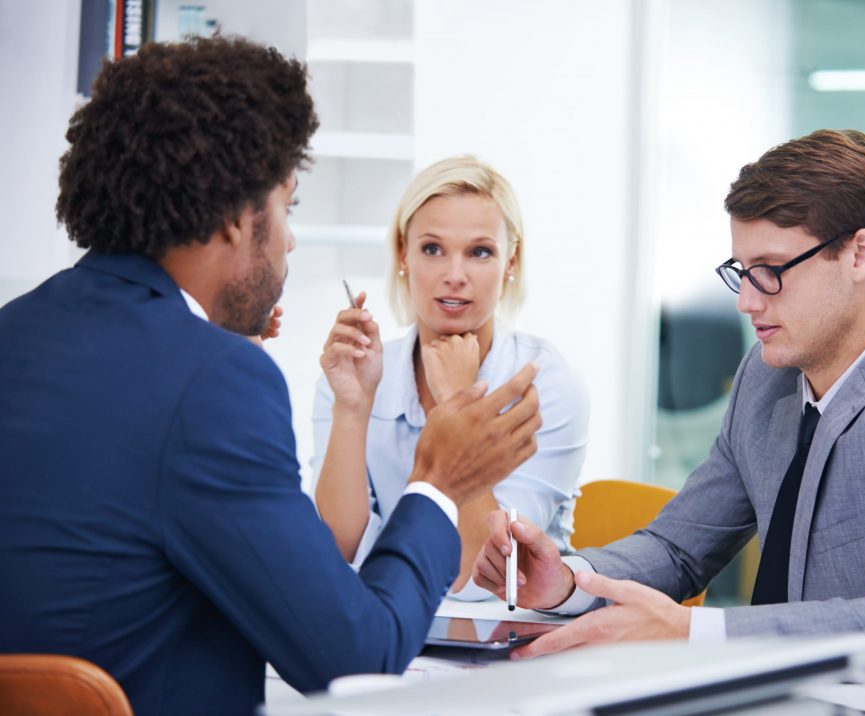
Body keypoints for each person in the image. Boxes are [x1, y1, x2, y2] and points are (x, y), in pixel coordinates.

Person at [0, 37, 542, 715]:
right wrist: (437, 483)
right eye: (288, 205)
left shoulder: (15, 331)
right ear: (235, 218)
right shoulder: (214, 382)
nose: (289, 239)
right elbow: (356, 656)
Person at [473, 129, 865, 685]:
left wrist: (698, 634)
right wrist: (567, 581)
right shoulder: (764, 377)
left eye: (771, 271)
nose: (746, 301)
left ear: (860, 254)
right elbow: (679, 547)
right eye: (741, 270)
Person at [310, 155, 588, 599]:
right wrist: (351, 409)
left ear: (510, 261)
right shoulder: (354, 375)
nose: (454, 276)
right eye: (432, 249)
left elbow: (485, 578)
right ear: (403, 254)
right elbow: (335, 551)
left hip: (511, 641)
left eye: (479, 252)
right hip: (390, 633)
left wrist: (457, 401)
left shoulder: (547, 383)